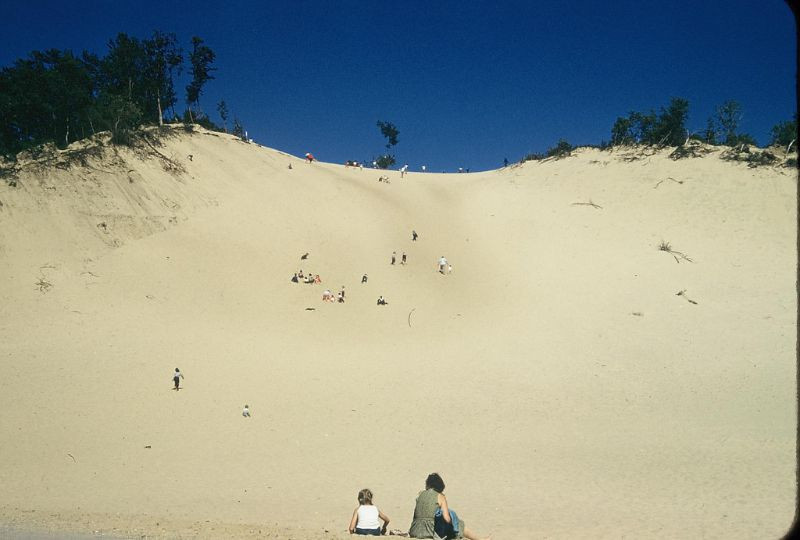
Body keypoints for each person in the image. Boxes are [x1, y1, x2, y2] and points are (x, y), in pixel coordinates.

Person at [408, 473, 489, 540]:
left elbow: (416, 514)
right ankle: (481, 539)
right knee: (459, 524)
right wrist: (454, 522)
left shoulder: (420, 494)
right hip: (429, 532)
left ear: (428, 484)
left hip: (415, 530)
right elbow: (447, 518)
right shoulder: (440, 496)